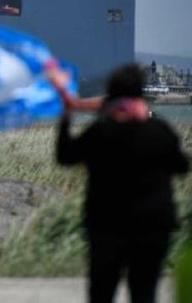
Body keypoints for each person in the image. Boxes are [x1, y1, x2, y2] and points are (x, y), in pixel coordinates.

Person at [57, 64, 189, 303]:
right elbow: (181, 166)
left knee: (102, 291)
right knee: (144, 291)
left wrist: (66, 117)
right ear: (140, 93)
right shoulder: (160, 131)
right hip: (153, 224)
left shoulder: (99, 132)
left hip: (107, 223)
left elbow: (64, 157)